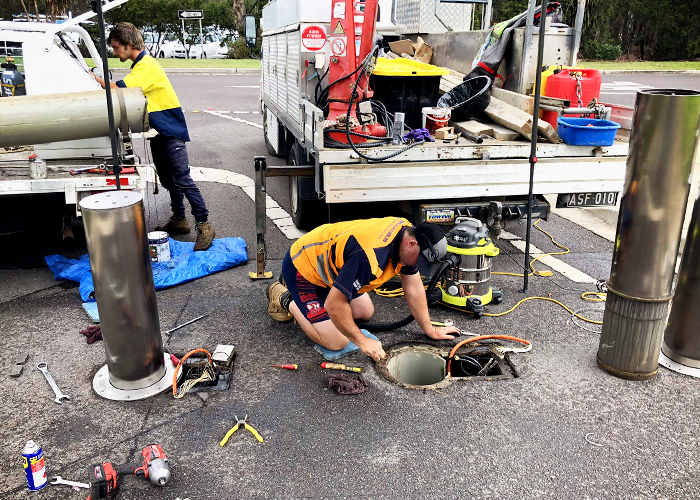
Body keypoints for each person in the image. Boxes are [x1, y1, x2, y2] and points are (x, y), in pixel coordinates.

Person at [92, 22, 215, 251]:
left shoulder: (147, 66)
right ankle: (180, 219)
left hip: (170, 132)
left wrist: (94, 79)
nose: (115, 51)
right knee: (169, 180)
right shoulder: (139, 66)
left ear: (129, 45)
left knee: (182, 180)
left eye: (117, 47)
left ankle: (204, 225)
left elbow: (119, 89)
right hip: (158, 133)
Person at [267, 217, 460, 361]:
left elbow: (414, 285)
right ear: (412, 244)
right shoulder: (369, 256)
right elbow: (334, 305)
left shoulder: (407, 232)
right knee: (337, 342)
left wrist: (429, 328)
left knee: (364, 311)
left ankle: (314, 297)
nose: (416, 265)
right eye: (419, 260)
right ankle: (287, 299)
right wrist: (362, 341)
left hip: (331, 270)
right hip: (303, 268)